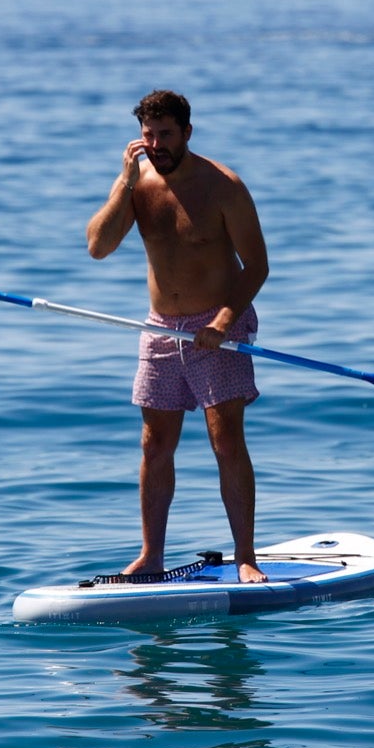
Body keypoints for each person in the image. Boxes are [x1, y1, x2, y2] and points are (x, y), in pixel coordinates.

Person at [86, 89, 271, 583]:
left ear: (187, 132)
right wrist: (124, 186)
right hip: (160, 329)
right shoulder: (136, 180)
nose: (156, 144)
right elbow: (98, 248)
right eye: (148, 135)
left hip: (218, 323)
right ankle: (150, 557)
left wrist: (224, 321)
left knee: (226, 439)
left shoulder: (224, 186)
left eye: (165, 134)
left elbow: (257, 266)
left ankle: (245, 555)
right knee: (154, 443)